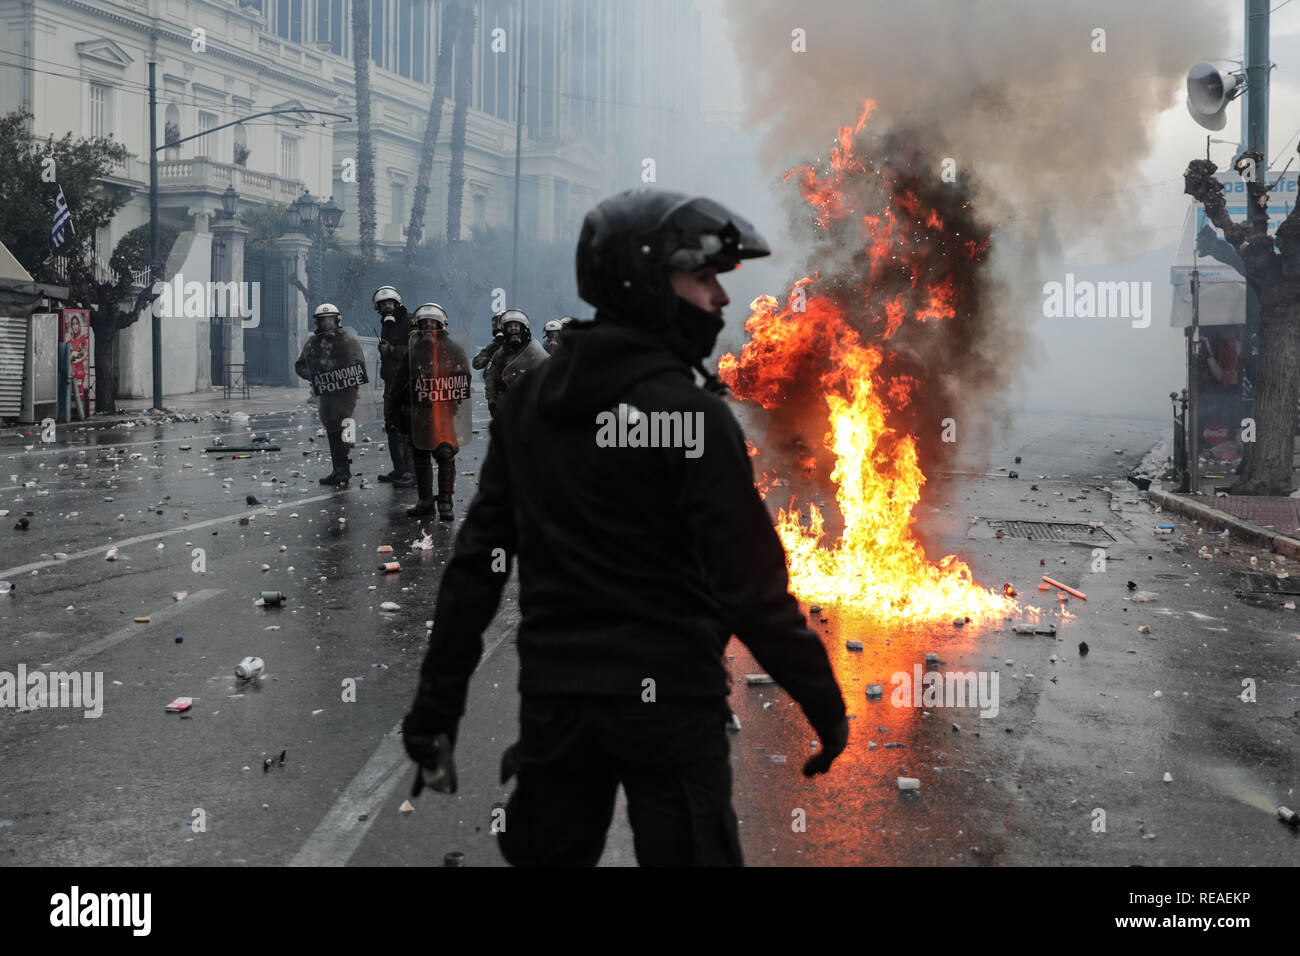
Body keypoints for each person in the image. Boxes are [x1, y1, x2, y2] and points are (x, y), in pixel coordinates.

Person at [401, 189, 849, 867]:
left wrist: (435, 712)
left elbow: (476, 568)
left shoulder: (532, 404)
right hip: (672, 710)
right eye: (703, 278)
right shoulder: (694, 418)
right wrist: (823, 702)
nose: (721, 300)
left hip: (559, 706)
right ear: (647, 284)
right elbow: (753, 592)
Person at [387, 303, 471, 520]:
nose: (429, 328)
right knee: (420, 455)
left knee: (445, 454)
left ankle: (445, 502)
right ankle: (425, 502)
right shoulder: (412, 352)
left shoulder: (454, 350)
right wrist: (392, 414)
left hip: (444, 413)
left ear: (442, 325)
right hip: (420, 414)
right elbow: (398, 384)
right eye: (424, 324)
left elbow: (464, 381)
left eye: (433, 323)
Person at [295, 303, 367, 486]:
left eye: (330, 320)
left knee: (340, 424)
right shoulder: (313, 343)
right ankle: (340, 469)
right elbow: (300, 365)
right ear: (317, 322)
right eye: (323, 320)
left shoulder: (348, 340)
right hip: (326, 393)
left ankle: (342, 468)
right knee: (332, 428)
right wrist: (314, 375)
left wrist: (348, 377)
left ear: (337, 320)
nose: (327, 324)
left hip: (345, 392)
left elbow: (359, 363)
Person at [374, 285, 415, 488]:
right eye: (383, 305)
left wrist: (391, 350)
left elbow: (416, 348)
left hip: (406, 382)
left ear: (397, 304)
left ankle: (411, 471)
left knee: (406, 426)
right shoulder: (386, 325)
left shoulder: (409, 321)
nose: (387, 308)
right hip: (391, 382)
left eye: (389, 303)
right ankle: (398, 469)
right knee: (392, 425)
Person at [486, 309, 548, 406]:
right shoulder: (500, 353)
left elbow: (546, 369)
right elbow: (491, 376)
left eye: (516, 326)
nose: (513, 329)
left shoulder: (532, 349)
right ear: (505, 330)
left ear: (523, 328)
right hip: (508, 400)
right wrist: (492, 401)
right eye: (510, 326)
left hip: (531, 398)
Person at [471, 311, 505, 417]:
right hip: (498, 391)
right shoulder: (493, 347)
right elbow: (476, 363)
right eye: (498, 323)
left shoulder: (522, 346)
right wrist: (488, 359)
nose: (500, 327)